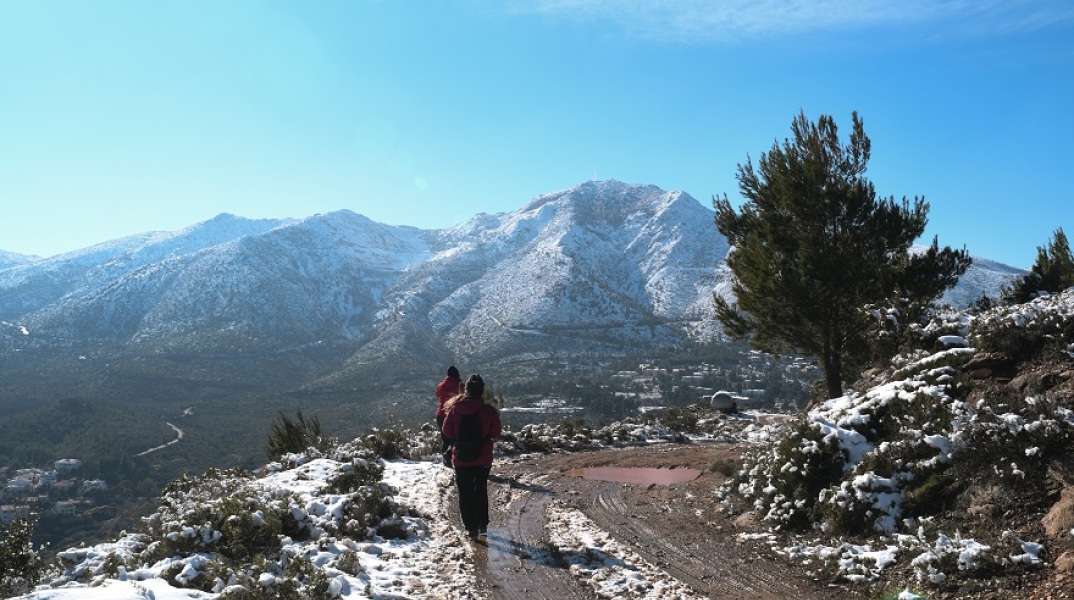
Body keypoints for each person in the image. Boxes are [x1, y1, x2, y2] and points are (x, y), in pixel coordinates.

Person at [441, 374, 502, 540]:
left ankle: (471, 528)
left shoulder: (455, 409)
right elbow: (496, 432)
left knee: (465, 492)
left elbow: (446, 432)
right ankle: (483, 524)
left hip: (461, 458)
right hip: (483, 458)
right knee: (480, 489)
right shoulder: (488, 410)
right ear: (482, 391)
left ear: (466, 389)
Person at [434, 366, 462, 466]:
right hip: (454, 415)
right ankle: (455, 458)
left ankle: (446, 460)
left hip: (440, 414)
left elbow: (437, 394)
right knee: (456, 438)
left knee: (445, 439)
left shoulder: (441, 385)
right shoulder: (459, 385)